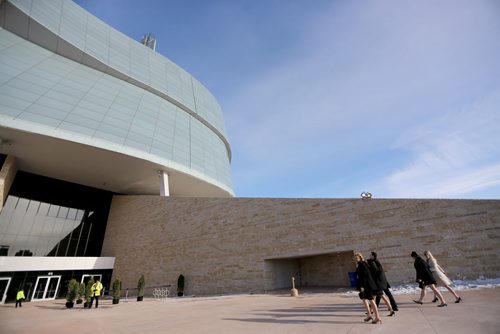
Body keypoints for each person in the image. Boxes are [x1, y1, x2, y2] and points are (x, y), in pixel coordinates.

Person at [354, 253, 382, 324]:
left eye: (356, 258)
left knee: (371, 300)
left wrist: (363, 286)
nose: (355, 259)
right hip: (365, 285)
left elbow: (365, 276)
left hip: (367, 286)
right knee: (364, 299)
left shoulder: (362, 264)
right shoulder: (362, 264)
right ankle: (369, 315)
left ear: (360, 258)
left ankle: (377, 317)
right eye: (354, 258)